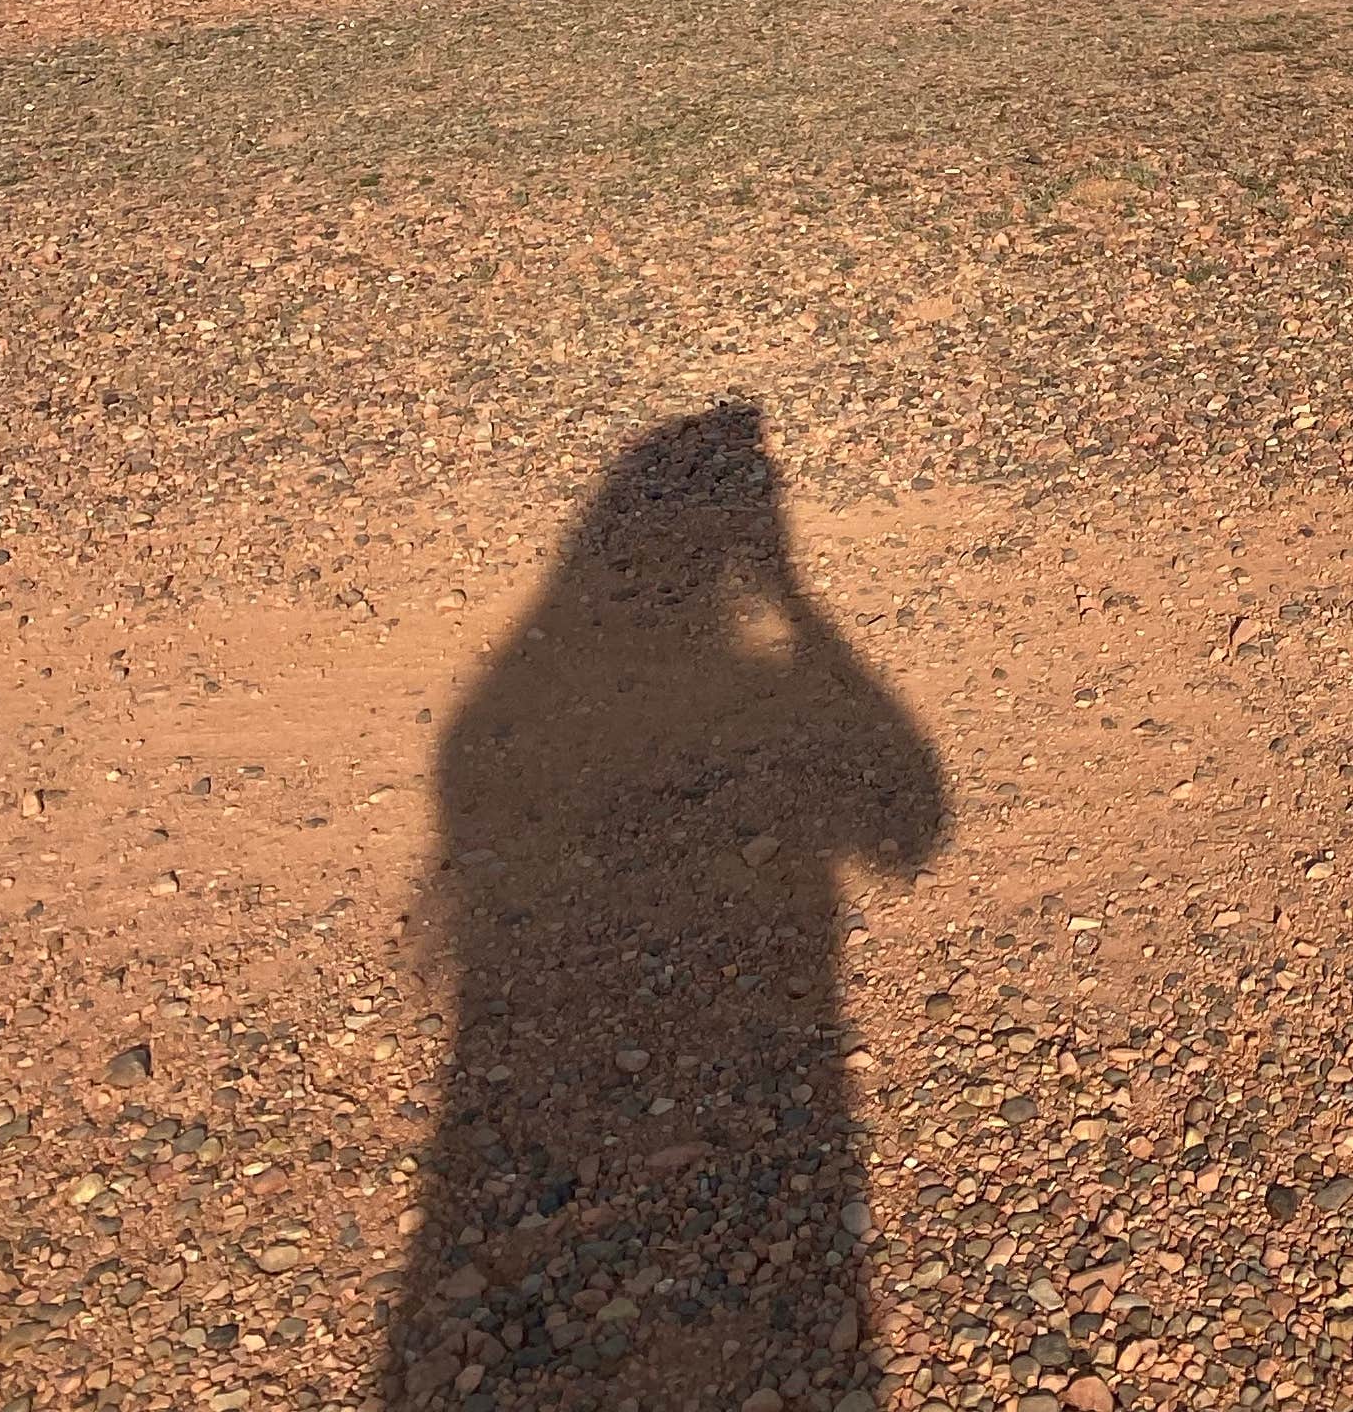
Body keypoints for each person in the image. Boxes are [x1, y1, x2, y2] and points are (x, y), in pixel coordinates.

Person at [384, 403, 945, 1407]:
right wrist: (797, 604)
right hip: (769, 1056)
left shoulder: (500, 712)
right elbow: (910, 832)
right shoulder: (521, 710)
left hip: (522, 1086)